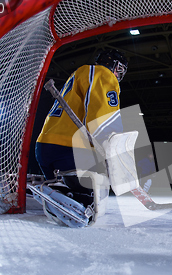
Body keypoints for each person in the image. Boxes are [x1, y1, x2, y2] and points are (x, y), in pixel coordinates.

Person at [35, 49, 128, 203]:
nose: (118, 75)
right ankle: (77, 197)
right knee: (97, 193)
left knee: (65, 188)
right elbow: (103, 118)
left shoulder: (79, 74)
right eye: (120, 70)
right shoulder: (103, 73)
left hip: (44, 147)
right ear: (115, 66)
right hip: (69, 149)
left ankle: (58, 188)